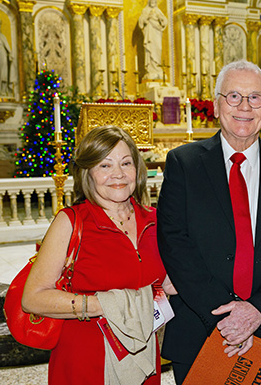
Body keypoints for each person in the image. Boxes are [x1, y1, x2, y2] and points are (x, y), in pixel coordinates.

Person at [157, 59, 261, 384]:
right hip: (202, 327)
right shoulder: (183, 164)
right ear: (217, 105)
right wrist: (227, 316)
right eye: (233, 96)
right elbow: (175, 243)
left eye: (255, 98)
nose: (244, 106)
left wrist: (257, 311)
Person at [22, 125, 175, 384]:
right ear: (88, 173)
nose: (118, 174)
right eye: (105, 166)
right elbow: (33, 299)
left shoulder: (155, 221)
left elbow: (166, 283)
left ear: (137, 170)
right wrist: (107, 305)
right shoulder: (71, 222)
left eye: (126, 163)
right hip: (86, 360)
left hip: (142, 358)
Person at [138, 0, 167, 81]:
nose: (153, 2)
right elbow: (141, 21)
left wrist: (160, 18)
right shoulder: (145, 10)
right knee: (150, 50)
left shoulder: (158, 11)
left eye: (154, 0)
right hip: (150, 32)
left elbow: (165, 21)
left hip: (157, 33)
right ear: (149, 1)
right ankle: (151, 69)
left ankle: (157, 68)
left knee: (159, 48)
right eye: (151, 0)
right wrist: (148, 17)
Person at [0, 18, 12, 96]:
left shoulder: (2, 36)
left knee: (2, 72)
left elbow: (7, 46)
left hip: (2, 54)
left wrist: (10, 54)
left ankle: (2, 90)